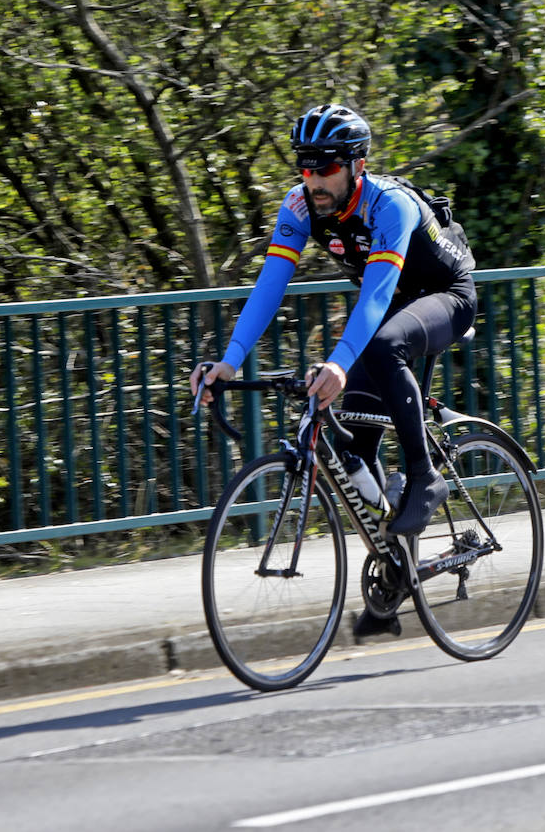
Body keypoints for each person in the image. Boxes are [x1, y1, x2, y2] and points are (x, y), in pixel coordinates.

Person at [189, 103, 477, 633]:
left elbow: (376, 297)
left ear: (356, 165)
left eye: (327, 167)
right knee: (351, 452)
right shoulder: (300, 207)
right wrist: (230, 361)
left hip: (445, 296)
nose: (314, 180)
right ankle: (392, 584)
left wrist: (341, 364)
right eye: (306, 166)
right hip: (387, 309)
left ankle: (424, 476)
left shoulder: (389, 206)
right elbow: (269, 287)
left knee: (383, 343)